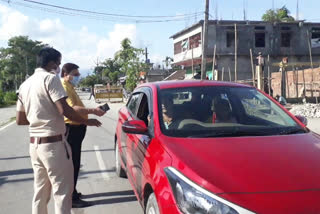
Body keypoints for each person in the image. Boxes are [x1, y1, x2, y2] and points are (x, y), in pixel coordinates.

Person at [16, 47, 102, 214]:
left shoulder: (25, 84)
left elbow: (20, 119)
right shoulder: (51, 79)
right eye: (58, 63)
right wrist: (87, 121)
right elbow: (65, 110)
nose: (58, 67)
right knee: (62, 193)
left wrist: (39, 118)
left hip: (35, 145)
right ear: (52, 63)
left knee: (40, 192)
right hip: (53, 144)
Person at [60, 63, 105, 207]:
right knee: (72, 164)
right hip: (71, 129)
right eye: (75, 74)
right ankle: (71, 198)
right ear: (66, 74)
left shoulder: (70, 87)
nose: (78, 77)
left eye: (78, 74)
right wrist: (93, 111)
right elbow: (73, 108)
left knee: (75, 163)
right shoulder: (64, 86)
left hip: (76, 129)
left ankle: (72, 192)